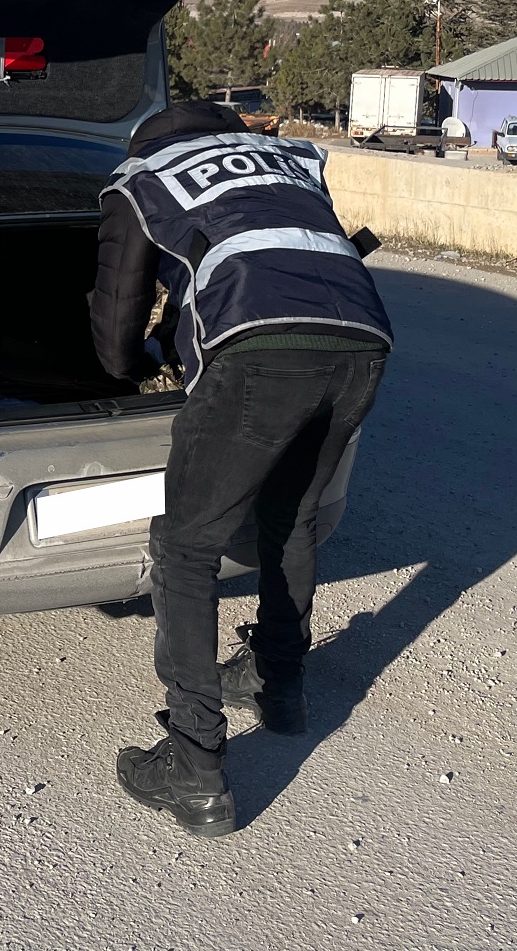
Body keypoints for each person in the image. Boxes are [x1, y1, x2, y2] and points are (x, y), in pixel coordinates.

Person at [90, 100, 390, 837]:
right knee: (289, 520)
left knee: (186, 547)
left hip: (260, 354)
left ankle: (193, 764)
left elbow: (120, 305)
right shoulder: (290, 162)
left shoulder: (144, 176)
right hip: (363, 344)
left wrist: (123, 370)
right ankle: (278, 685)